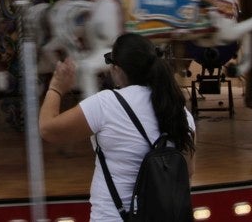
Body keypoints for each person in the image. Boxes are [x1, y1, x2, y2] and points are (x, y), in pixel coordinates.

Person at [39, 33, 195, 221]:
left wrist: (56, 88)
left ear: (116, 69)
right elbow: (188, 172)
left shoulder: (107, 104)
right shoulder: (181, 113)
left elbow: (48, 129)